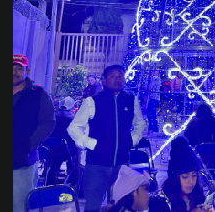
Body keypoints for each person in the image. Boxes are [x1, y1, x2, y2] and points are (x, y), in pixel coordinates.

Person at [68, 65, 147, 212]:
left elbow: (140, 123)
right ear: (103, 80)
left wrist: (133, 139)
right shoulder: (92, 101)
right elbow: (74, 128)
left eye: (120, 76)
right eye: (112, 76)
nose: (117, 79)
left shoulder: (131, 100)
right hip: (96, 166)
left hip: (122, 165)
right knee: (92, 207)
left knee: (119, 207)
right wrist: (90, 143)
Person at [13, 53, 55, 212]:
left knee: (19, 205)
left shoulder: (38, 94)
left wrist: (29, 144)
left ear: (27, 71)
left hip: (22, 160)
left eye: (19, 68)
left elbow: (48, 122)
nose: (14, 72)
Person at [156, 136, 214, 212]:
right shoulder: (163, 200)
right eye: (185, 176)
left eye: (194, 175)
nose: (191, 181)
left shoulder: (197, 193)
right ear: (175, 177)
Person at [48, 96, 80, 186]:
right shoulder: (72, 121)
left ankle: (51, 177)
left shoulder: (53, 119)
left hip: (52, 151)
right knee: (77, 154)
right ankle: (73, 179)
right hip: (67, 151)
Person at [147, 71, 161, 136]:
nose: (154, 72)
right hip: (152, 98)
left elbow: (150, 87)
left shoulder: (156, 78)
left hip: (154, 98)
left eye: (155, 71)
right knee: (150, 113)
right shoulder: (153, 78)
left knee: (151, 113)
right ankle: (152, 128)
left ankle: (154, 128)